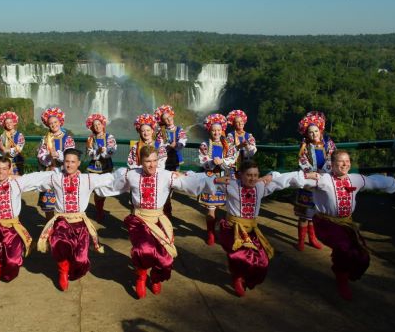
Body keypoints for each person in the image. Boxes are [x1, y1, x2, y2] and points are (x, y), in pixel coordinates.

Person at [288, 150, 395, 300]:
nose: (345, 164)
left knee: (362, 254)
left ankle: (343, 272)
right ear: (332, 165)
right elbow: (296, 179)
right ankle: (341, 279)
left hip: (346, 223)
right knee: (344, 249)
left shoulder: (355, 179)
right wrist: (271, 178)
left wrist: (394, 182)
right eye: (341, 161)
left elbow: (374, 182)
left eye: (347, 161)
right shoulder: (323, 180)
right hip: (326, 223)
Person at [98, 145, 212, 299]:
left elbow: (187, 182)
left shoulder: (166, 175)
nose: (151, 165)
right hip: (139, 220)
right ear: (140, 162)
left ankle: (156, 277)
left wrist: (214, 180)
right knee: (144, 249)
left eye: (154, 160)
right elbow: (114, 184)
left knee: (165, 258)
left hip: (159, 219)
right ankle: (141, 276)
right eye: (147, 161)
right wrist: (91, 184)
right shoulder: (131, 175)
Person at [202, 160, 295, 297]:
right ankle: (237, 277)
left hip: (251, 230)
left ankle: (245, 276)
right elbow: (202, 183)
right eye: (249, 175)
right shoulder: (230, 184)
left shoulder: (260, 186)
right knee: (241, 256)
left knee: (262, 262)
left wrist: (272, 175)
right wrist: (216, 179)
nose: (253, 178)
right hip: (232, 229)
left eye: (256, 175)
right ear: (240, 175)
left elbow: (285, 179)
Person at [27, 149, 114, 291]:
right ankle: (62, 270)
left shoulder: (87, 179)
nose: (69, 165)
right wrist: (13, 178)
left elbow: (110, 178)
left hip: (80, 222)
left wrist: (129, 174)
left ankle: (72, 268)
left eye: (73, 162)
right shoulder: (55, 178)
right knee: (59, 245)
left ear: (79, 163)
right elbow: (36, 178)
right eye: (67, 161)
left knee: (81, 260)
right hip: (62, 221)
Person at [0, 157, 48, 289]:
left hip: (12, 226)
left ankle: (3, 270)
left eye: (4, 169)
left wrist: (62, 172)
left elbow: (37, 177)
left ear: (10, 169)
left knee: (12, 263)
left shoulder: (17, 183)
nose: (1, 172)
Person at [294, 111, 336, 251]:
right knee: (304, 214)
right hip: (308, 182)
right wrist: (310, 172)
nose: (314, 134)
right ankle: (301, 241)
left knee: (315, 213)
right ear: (306, 133)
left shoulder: (328, 143)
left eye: (316, 131)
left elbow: (333, 157)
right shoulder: (304, 145)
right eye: (310, 132)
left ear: (320, 129)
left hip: (323, 180)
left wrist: (324, 172)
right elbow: (302, 160)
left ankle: (313, 238)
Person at [198, 113, 238, 246]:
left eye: (218, 130)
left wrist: (222, 161)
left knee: (228, 207)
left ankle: (225, 232)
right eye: (214, 130)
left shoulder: (228, 144)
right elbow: (202, 161)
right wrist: (212, 163)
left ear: (222, 130)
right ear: (209, 130)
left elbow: (233, 159)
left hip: (226, 177)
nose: (216, 132)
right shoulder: (204, 145)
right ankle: (211, 233)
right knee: (211, 208)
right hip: (211, 178)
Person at [37, 107, 75, 221]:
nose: (53, 125)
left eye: (55, 122)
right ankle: (50, 227)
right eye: (51, 123)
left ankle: (63, 227)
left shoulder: (68, 139)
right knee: (48, 204)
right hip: (49, 172)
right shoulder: (45, 139)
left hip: (64, 173)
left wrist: (58, 155)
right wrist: (48, 156)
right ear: (48, 125)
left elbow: (71, 157)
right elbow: (40, 156)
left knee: (63, 203)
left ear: (60, 122)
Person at [154, 104, 187, 219]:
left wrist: (177, 144)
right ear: (162, 121)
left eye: (169, 117)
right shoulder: (161, 131)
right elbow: (157, 145)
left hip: (175, 161)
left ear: (172, 116)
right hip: (163, 161)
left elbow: (183, 141)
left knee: (172, 184)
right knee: (164, 185)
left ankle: (167, 206)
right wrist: (166, 147)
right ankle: (166, 208)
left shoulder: (179, 130)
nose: (168, 120)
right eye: (165, 119)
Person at [85, 113, 117, 222]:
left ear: (103, 125)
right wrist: (96, 152)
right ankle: (99, 211)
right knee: (97, 189)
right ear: (92, 127)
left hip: (106, 166)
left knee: (103, 188)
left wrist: (106, 151)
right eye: (95, 125)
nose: (97, 126)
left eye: (99, 124)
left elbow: (112, 149)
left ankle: (100, 208)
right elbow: (89, 153)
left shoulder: (109, 137)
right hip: (95, 166)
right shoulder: (90, 139)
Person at [0, 111, 26, 175]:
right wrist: (1, 149)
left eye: (10, 122)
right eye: (7, 123)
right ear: (4, 125)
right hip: (5, 165)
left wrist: (4, 149)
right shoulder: (3, 136)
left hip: (16, 165)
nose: (9, 124)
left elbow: (18, 150)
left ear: (14, 123)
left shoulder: (20, 136)